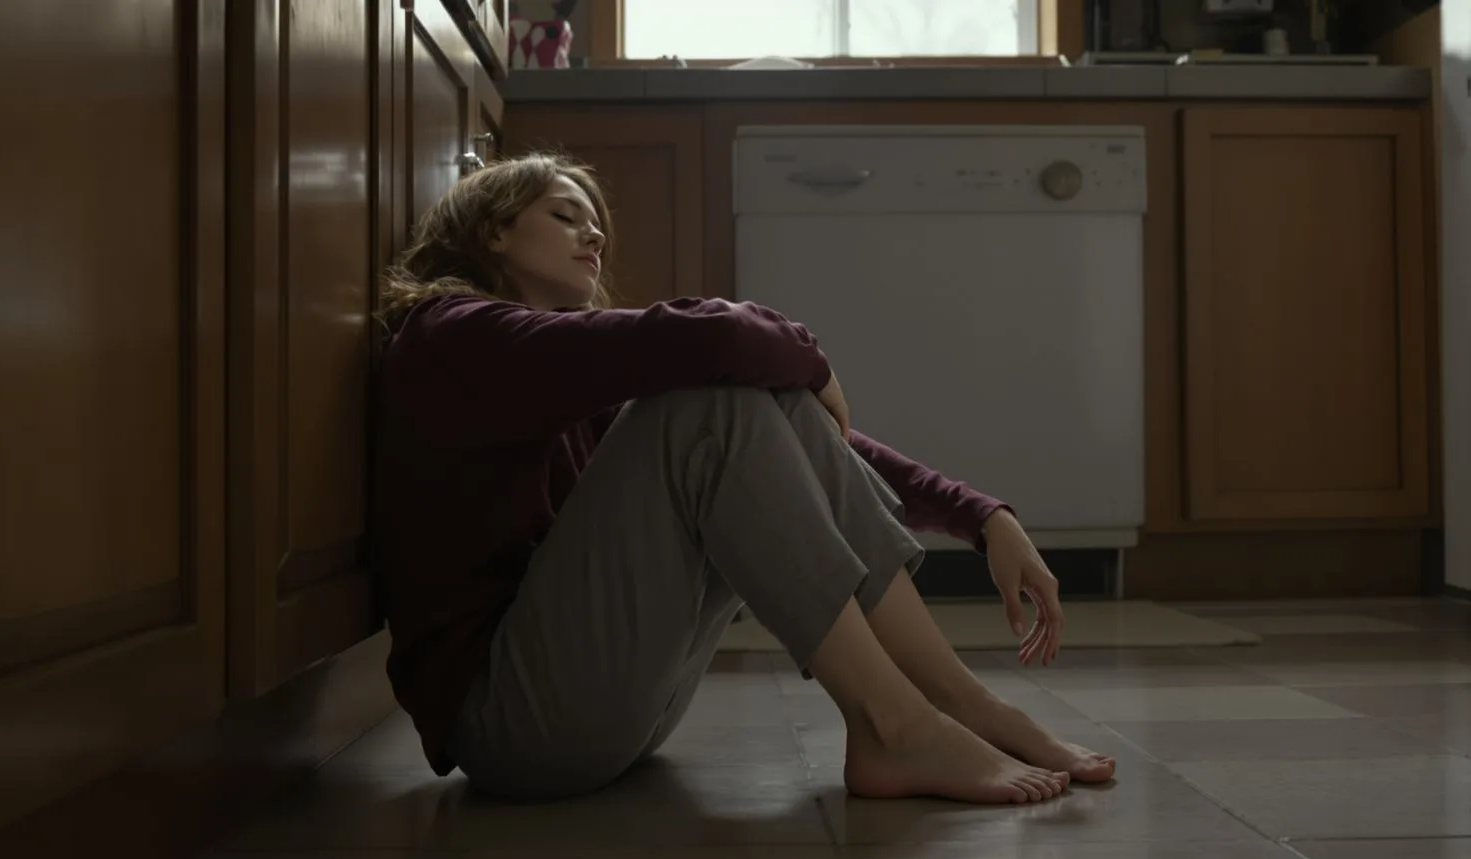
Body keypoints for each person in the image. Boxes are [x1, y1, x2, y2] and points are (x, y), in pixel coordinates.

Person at [372, 152, 1116, 806]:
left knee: (741, 397)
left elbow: (808, 442)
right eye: (565, 216)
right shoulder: (451, 335)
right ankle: (899, 725)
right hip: (513, 725)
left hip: (614, 712)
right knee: (713, 398)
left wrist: (981, 516)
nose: (594, 236)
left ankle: (960, 704)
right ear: (492, 231)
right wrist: (811, 358)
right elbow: (714, 337)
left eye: (595, 223)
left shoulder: (560, 384)